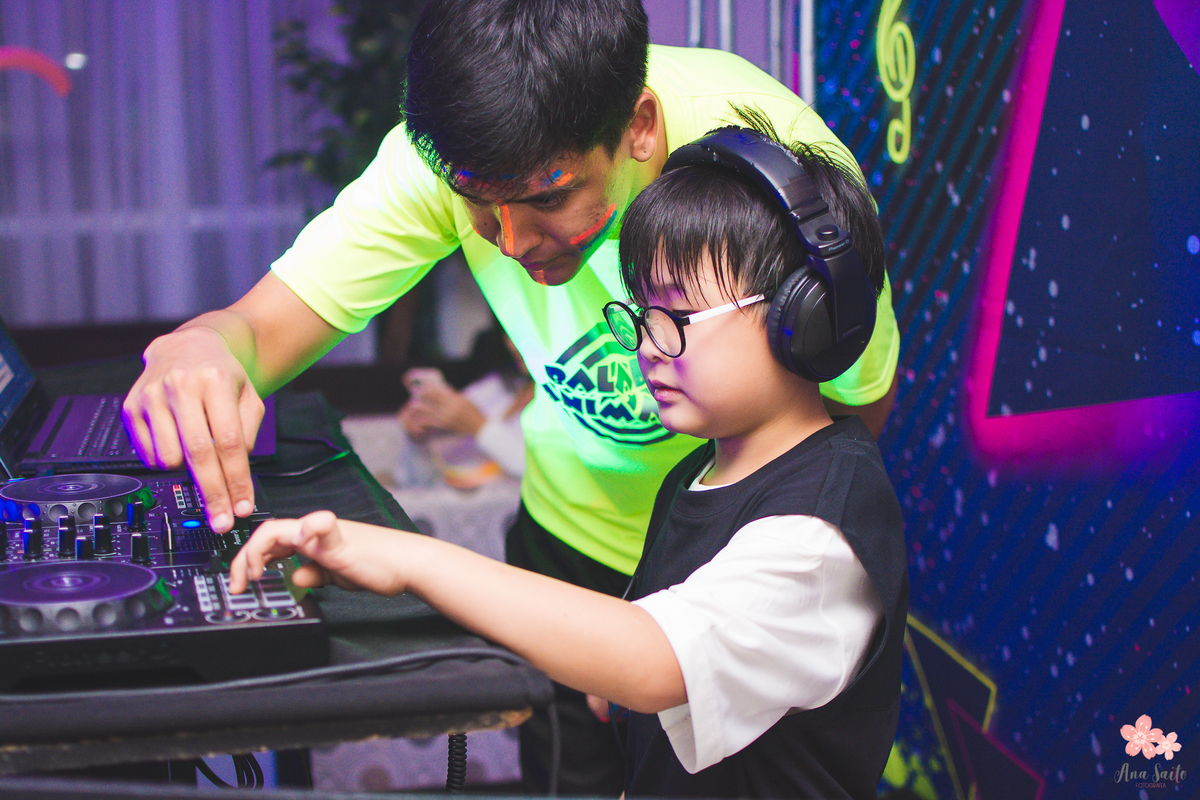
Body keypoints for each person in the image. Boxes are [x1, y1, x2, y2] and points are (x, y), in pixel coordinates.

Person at [122, 0, 900, 792]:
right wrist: (205, 343)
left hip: (728, 562)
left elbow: (847, 408)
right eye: (476, 205)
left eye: (547, 197)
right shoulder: (453, 156)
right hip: (585, 548)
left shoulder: (778, 190)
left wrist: (681, 607)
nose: (512, 243)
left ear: (638, 127)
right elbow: (260, 329)